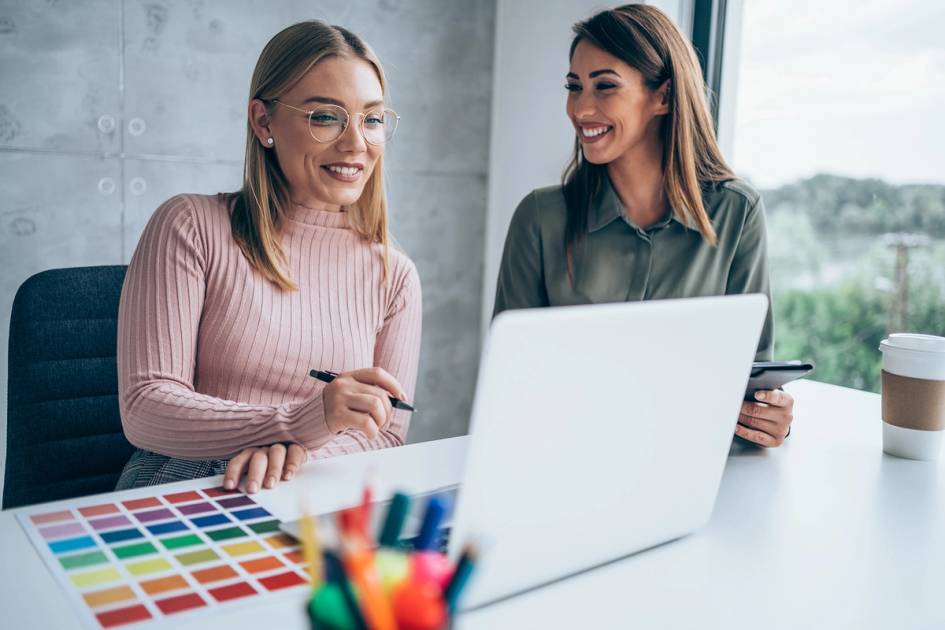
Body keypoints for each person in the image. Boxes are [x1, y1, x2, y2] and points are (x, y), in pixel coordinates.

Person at [116, 21, 422, 492]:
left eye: (373, 118)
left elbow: (384, 434)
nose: (356, 143)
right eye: (326, 116)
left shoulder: (394, 275)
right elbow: (146, 406)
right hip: (186, 483)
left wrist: (291, 454)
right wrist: (296, 423)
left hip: (314, 491)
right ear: (264, 123)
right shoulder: (190, 225)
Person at [494, 4, 794, 447]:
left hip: (694, 469)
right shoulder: (539, 219)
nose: (581, 108)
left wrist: (771, 418)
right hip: (566, 458)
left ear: (665, 97)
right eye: (574, 87)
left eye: (605, 86)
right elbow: (509, 382)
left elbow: (752, 377)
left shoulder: (736, 212)